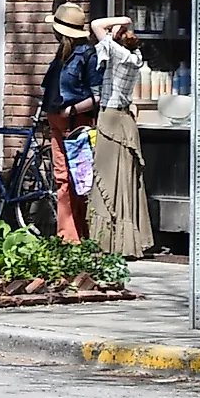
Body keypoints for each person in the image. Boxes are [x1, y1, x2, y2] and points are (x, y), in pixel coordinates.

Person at [84, 15, 153, 257]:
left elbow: (95, 24)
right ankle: (127, 240)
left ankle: (108, 241)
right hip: (125, 119)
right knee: (125, 180)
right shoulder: (135, 57)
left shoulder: (117, 52)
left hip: (111, 119)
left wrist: (120, 21)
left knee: (106, 178)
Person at [39, 0, 99, 242]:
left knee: (79, 179)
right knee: (63, 177)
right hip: (57, 121)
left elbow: (98, 95)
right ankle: (69, 236)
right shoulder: (61, 55)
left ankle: (76, 236)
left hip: (76, 124)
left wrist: (72, 110)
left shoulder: (87, 55)